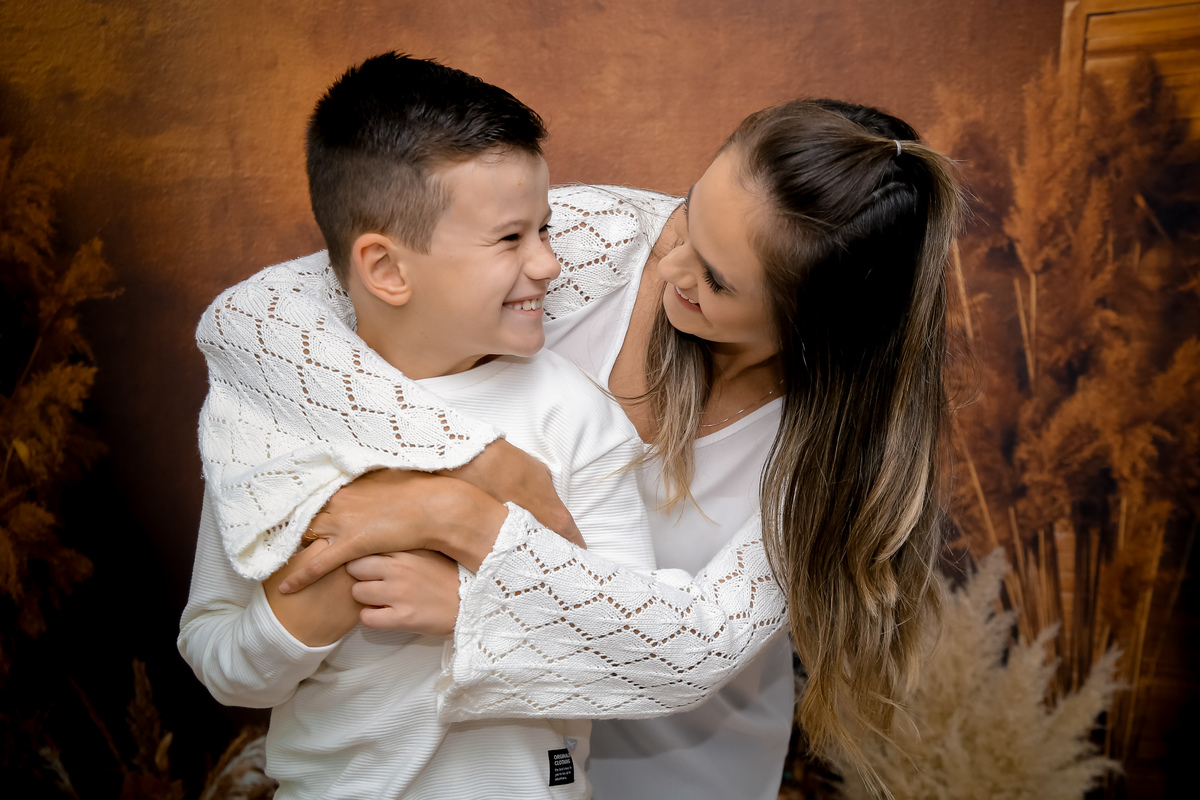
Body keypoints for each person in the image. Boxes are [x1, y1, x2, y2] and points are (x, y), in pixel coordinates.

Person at [212, 97, 963, 798]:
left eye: (715, 280)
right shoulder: (591, 240)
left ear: (817, 330)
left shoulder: (838, 453)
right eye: (689, 214)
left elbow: (696, 649)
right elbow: (254, 316)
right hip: (488, 762)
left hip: (686, 768)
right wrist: (469, 463)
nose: (670, 266)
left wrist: (466, 532)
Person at [178, 52, 660, 800]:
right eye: (511, 238)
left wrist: (471, 608)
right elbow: (216, 656)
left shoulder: (573, 414)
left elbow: (635, 652)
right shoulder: (272, 417)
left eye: (546, 229)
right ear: (387, 269)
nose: (548, 264)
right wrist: (314, 608)